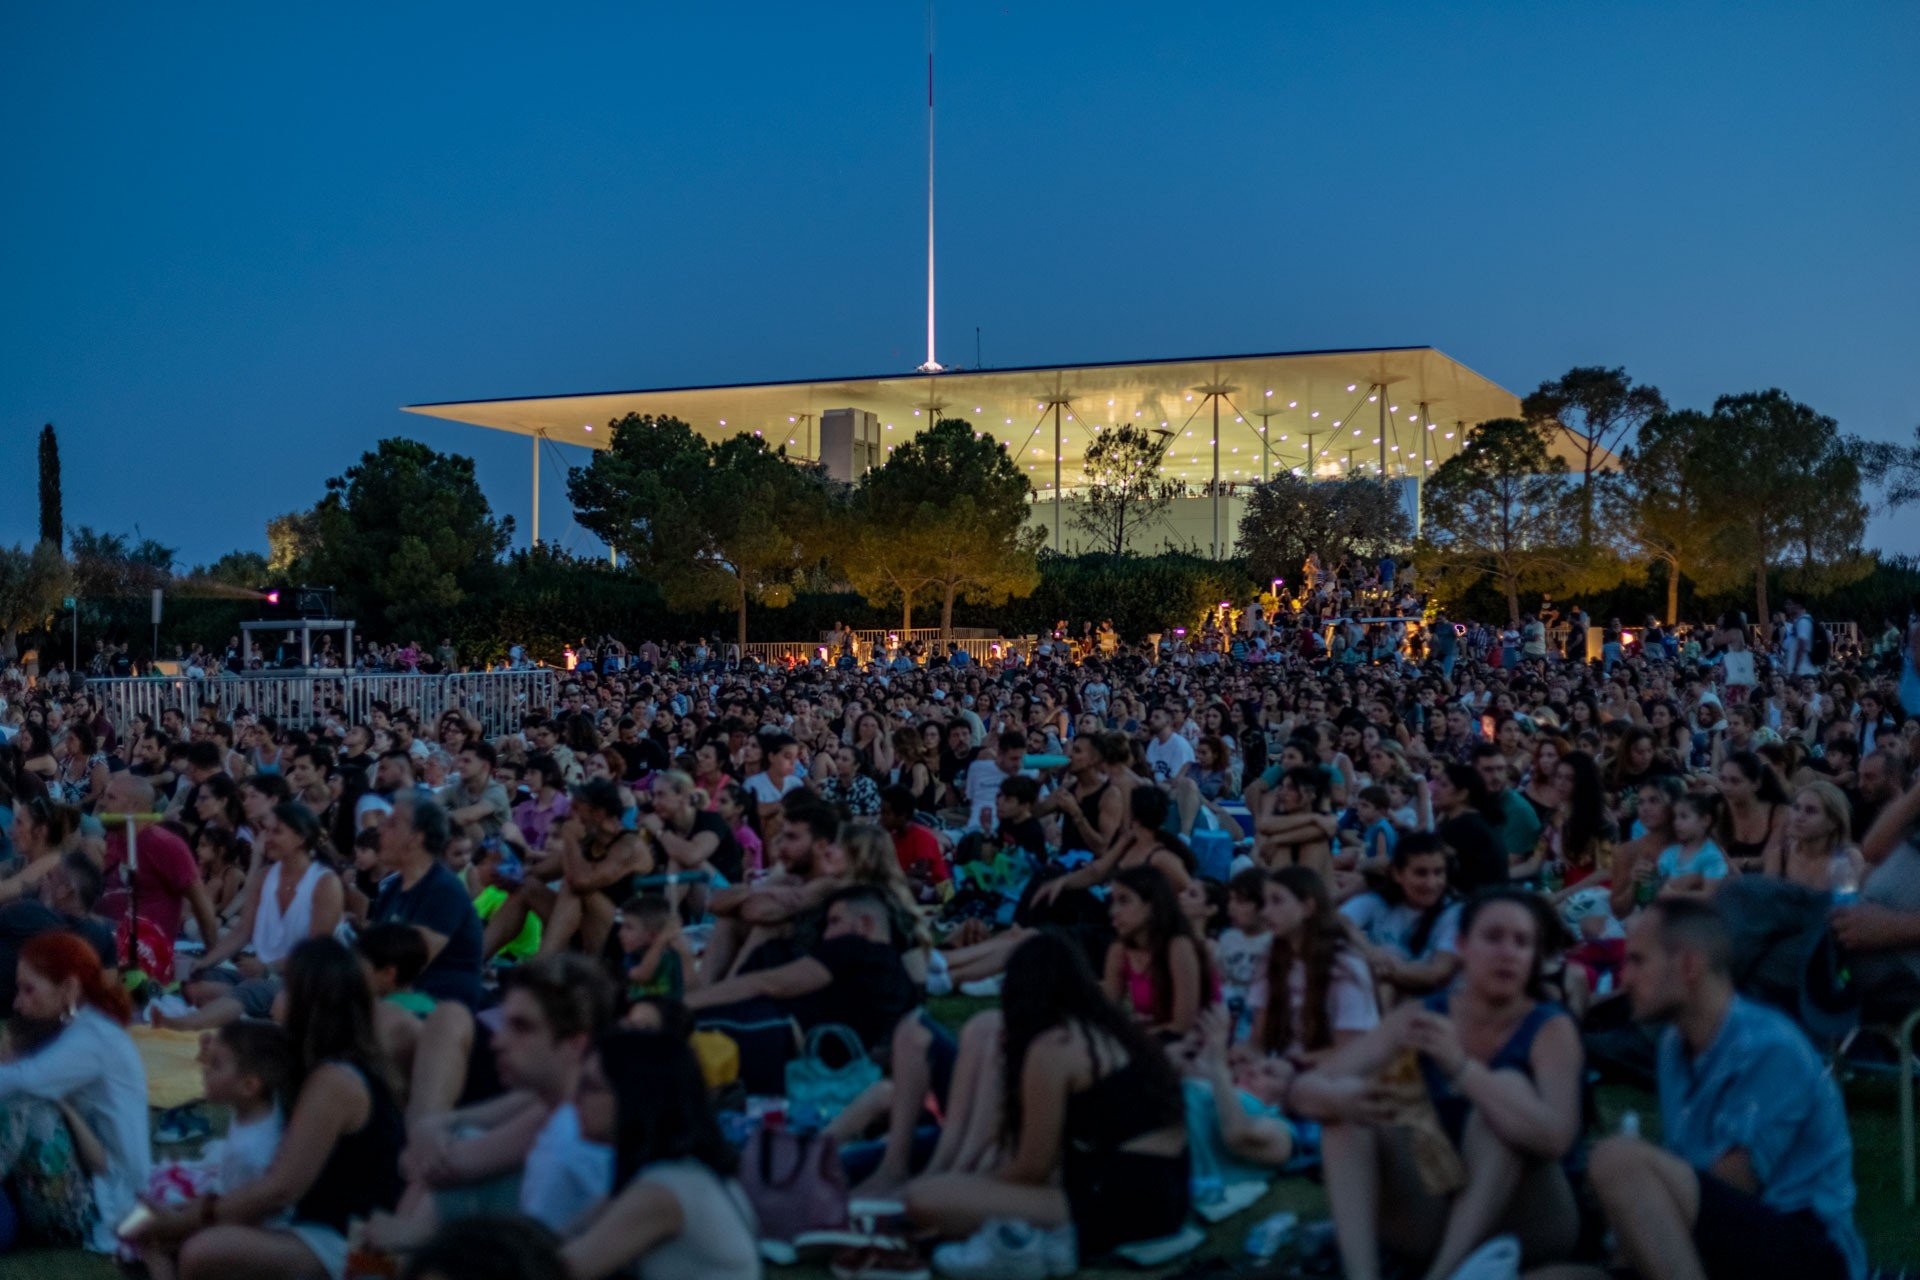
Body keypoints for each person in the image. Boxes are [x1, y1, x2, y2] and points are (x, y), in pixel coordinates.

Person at [1296, 889, 1583, 1280]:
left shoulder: (1550, 1027)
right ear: (1463, 946)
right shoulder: (1423, 1016)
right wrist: (1341, 1098)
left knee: (1505, 1092)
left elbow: (1556, 1137)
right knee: (1349, 1110)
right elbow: (1307, 1090)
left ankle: (1445, 1275)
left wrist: (1463, 1069)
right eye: (1493, 937)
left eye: (1522, 942)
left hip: (1527, 1218)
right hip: (1437, 1201)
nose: (1507, 952)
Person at [1581, 899, 1865, 1280]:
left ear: (1688, 965)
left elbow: (1735, 1184)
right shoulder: (1674, 1046)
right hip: (1727, 1237)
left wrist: (1638, 1203)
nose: (1625, 978)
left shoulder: (1767, 1047)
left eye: (1637, 961)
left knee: (1616, 1161)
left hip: (1807, 1247)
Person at [904, 932, 1189, 1272]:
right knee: (942, 1193)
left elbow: (1031, 1168)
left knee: (922, 1200)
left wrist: (970, 1188)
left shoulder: (1054, 1047)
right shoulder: (1113, 1033)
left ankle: (1021, 1245)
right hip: (1164, 1194)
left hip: (1116, 1204)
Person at [139, 937, 406, 1280]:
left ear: (310, 1003)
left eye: (286, 988)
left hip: (361, 1246)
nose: (275, 995)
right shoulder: (311, 1057)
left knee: (201, 1250)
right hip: (319, 1220)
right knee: (186, 1220)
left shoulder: (336, 1080)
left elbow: (280, 1189)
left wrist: (189, 1219)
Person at [365, 954, 616, 1252]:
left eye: (521, 1027)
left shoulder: (573, 1134)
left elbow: (542, 1259)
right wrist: (436, 1128)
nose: (498, 1042)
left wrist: (426, 1238)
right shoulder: (554, 1106)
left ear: (576, 1043)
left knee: (447, 1181)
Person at [562, 1030, 760, 1280]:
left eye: (589, 1087)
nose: (574, 1099)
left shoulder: (664, 1191)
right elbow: (563, 1238)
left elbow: (560, 1270)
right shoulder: (680, 1173)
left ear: (633, 1096)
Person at [0, 932, 148, 1253]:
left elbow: (22, 1081)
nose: (17, 1002)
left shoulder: (93, 1038)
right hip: (95, 1181)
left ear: (68, 989)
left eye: (29, 989)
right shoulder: (81, 1027)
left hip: (101, 1204)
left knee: (23, 1101)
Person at [169, 802, 346, 1029]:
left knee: (242, 990)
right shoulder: (265, 876)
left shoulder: (325, 882)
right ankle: (235, 1005)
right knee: (198, 979)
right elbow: (242, 931)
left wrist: (268, 967)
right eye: (266, 831)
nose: (267, 838)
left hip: (302, 982)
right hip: (260, 974)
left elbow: (316, 952)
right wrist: (202, 962)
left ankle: (189, 1022)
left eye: (276, 832)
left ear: (301, 838)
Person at [1251, 866, 1379, 1063]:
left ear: (1308, 907)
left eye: (1276, 901)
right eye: (1265, 902)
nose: (1266, 912)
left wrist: (1290, 1065)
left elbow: (1351, 1051)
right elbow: (1258, 1039)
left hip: (1334, 1076)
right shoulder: (1271, 957)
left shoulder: (1343, 965)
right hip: (1280, 1070)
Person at [371, 793, 485, 1008]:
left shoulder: (444, 891)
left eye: (392, 824)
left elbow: (404, 970)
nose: (381, 829)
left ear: (416, 838)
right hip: (400, 1002)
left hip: (438, 1010)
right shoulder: (393, 888)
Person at [1341, 833, 1462, 1000]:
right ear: (1398, 874)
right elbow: (1339, 921)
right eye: (1421, 873)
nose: (1431, 883)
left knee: (1386, 985)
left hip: (1433, 1007)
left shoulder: (1454, 912)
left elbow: (1438, 972)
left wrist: (1384, 967)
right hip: (1385, 995)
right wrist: (1371, 952)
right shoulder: (1380, 902)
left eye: (1438, 872)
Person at [1102, 865, 1213, 1039]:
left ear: (1151, 905)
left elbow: (1182, 1026)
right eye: (1113, 901)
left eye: (1124, 901)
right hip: (1151, 1040)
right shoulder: (1120, 950)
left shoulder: (1178, 946)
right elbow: (1107, 1014)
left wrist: (1135, 1034)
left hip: (1197, 1041)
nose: (1114, 911)